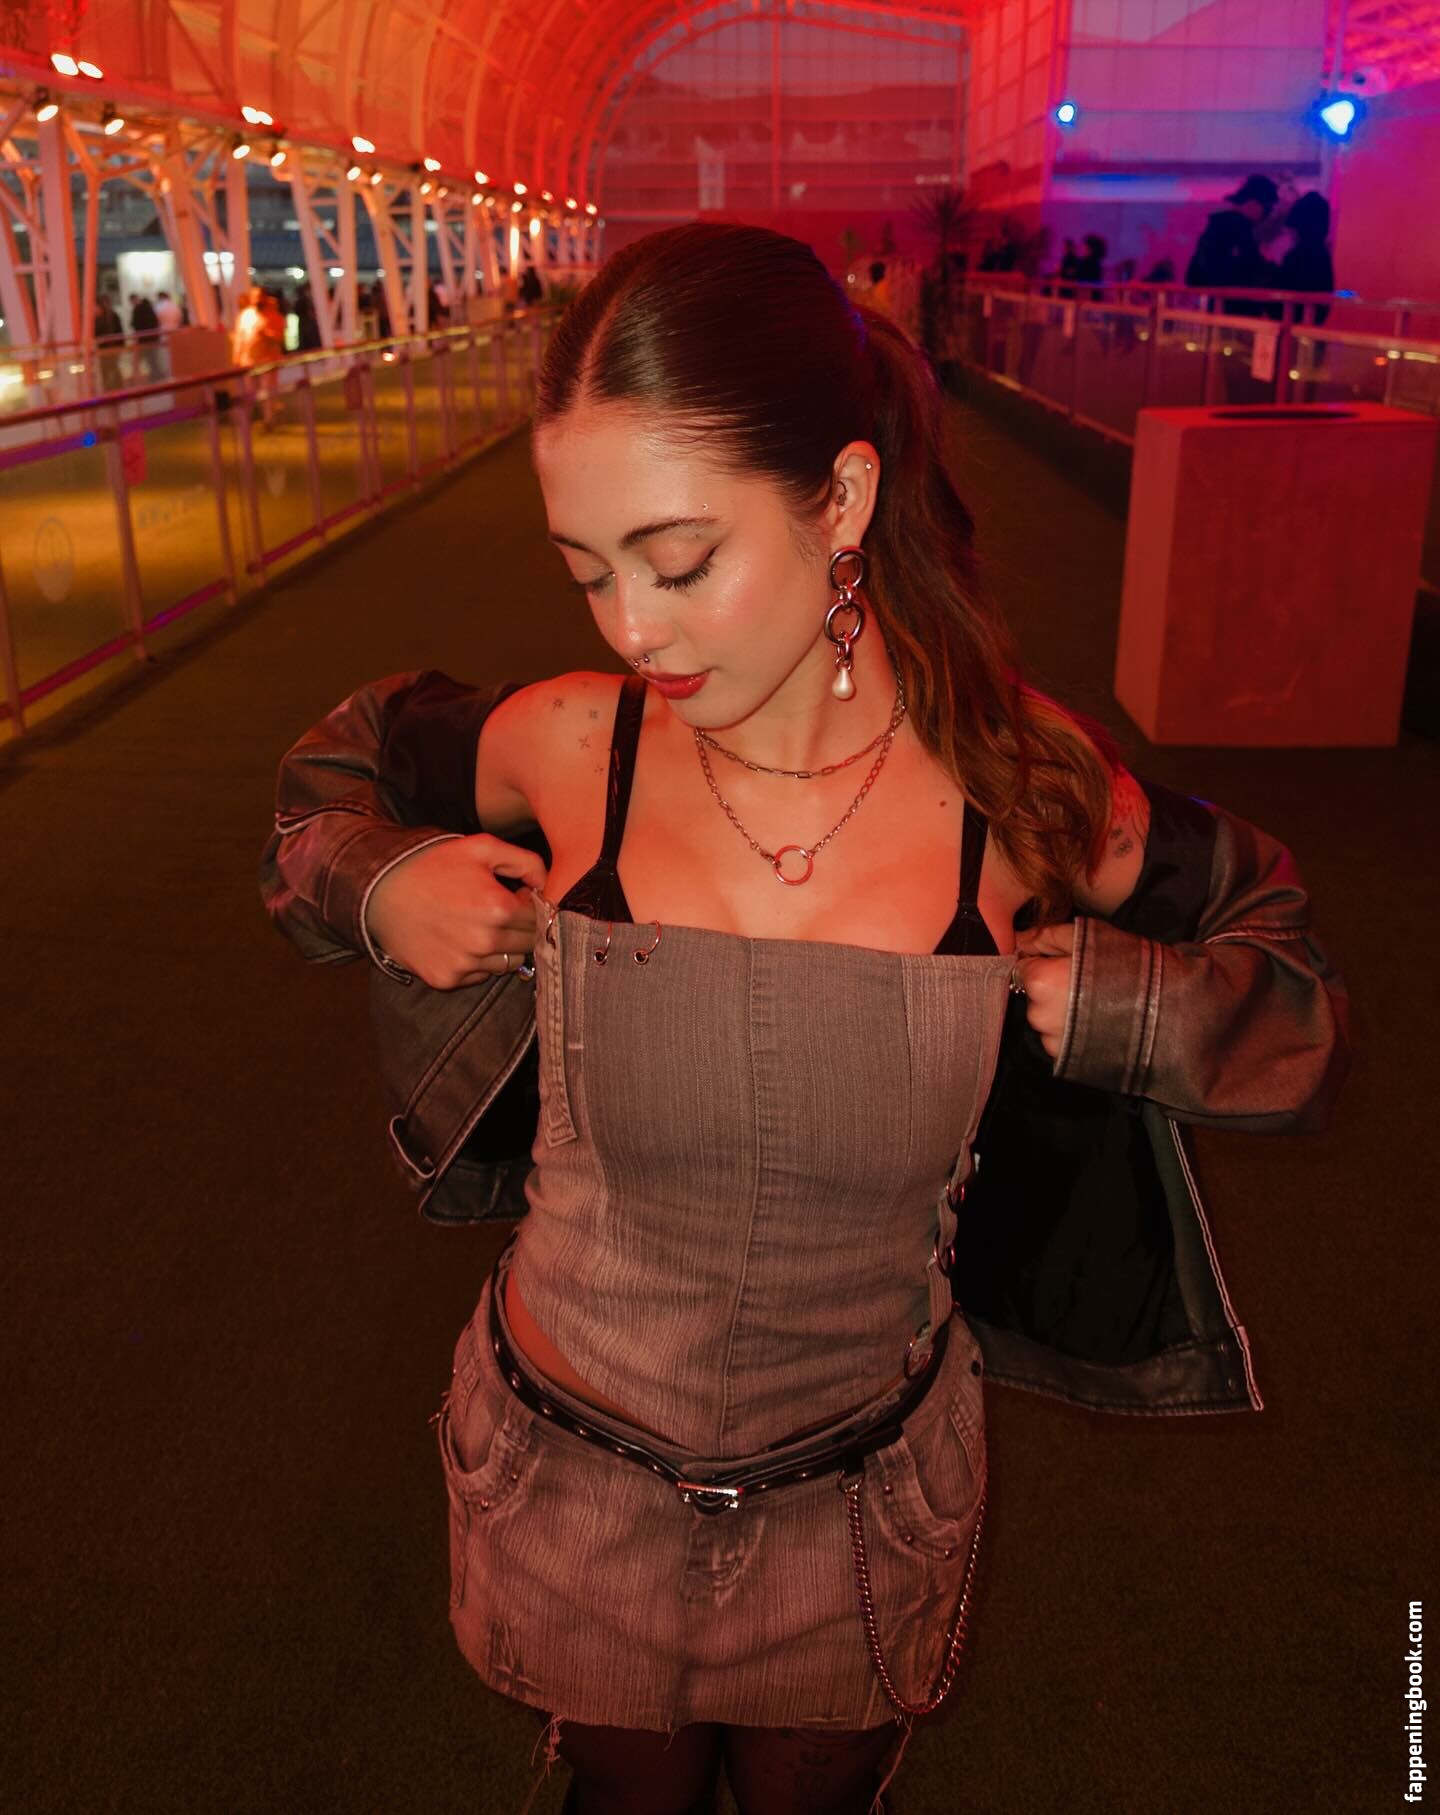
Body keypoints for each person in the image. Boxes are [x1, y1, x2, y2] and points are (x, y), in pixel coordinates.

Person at [258, 223, 1347, 1815]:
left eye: (679, 559)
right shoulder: (575, 745)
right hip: (567, 1484)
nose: (633, 628)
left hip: (858, 1511)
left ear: (840, 499)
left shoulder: (1013, 780)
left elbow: (1283, 966)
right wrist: (378, 880)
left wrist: (1128, 1004)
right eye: (588, 569)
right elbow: (322, 786)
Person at [1184, 174, 1278, 312]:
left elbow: (1195, 275)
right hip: (1231, 310)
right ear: (1254, 204)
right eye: (1268, 209)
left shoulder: (1217, 226)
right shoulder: (1239, 228)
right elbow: (1250, 271)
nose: (1268, 215)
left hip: (1216, 307)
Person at [230, 285, 286, 427]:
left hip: (268, 360)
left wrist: (266, 333)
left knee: (268, 391)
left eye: (259, 297)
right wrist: (236, 356)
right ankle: (247, 419)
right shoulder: (245, 316)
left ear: (264, 298)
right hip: (249, 360)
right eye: (254, 297)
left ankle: (269, 420)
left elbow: (280, 337)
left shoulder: (274, 316)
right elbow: (240, 337)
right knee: (249, 391)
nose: (257, 300)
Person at [1278, 191, 1335, 325]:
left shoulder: (1299, 255)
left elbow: (1283, 291)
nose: (1290, 233)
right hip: (1308, 326)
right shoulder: (1321, 254)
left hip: (1291, 323)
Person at [94, 292, 125, 391]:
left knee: (110, 369)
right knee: (110, 369)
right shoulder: (108, 317)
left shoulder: (107, 317)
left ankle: (113, 389)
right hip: (107, 349)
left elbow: (118, 333)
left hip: (108, 349)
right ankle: (113, 388)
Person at [128, 291, 161, 381]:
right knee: (152, 359)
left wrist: (136, 338)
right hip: (153, 338)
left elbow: (135, 325)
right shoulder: (149, 309)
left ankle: (138, 378)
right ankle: (156, 376)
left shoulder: (137, 310)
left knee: (142, 360)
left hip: (143, 340)